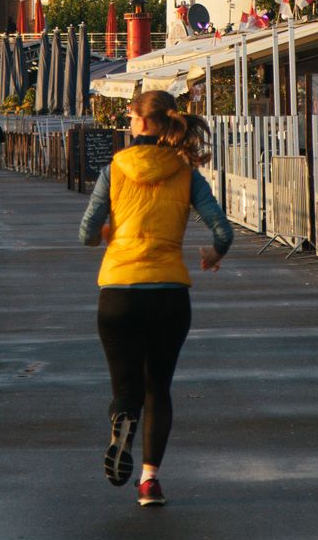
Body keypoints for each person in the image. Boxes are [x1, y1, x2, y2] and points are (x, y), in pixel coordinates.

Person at [79, 90, 232, 509]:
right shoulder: (186, 173)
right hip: (169, 294)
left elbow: (86, 232)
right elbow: (223, 230)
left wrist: (107, 235)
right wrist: (213, 254)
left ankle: (122, 417)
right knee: (158, 389)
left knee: (126, 387)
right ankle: (149, 482)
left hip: (118, 291)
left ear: (143, 124)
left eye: (130, 117)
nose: (128, 123)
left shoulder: (114, 169)